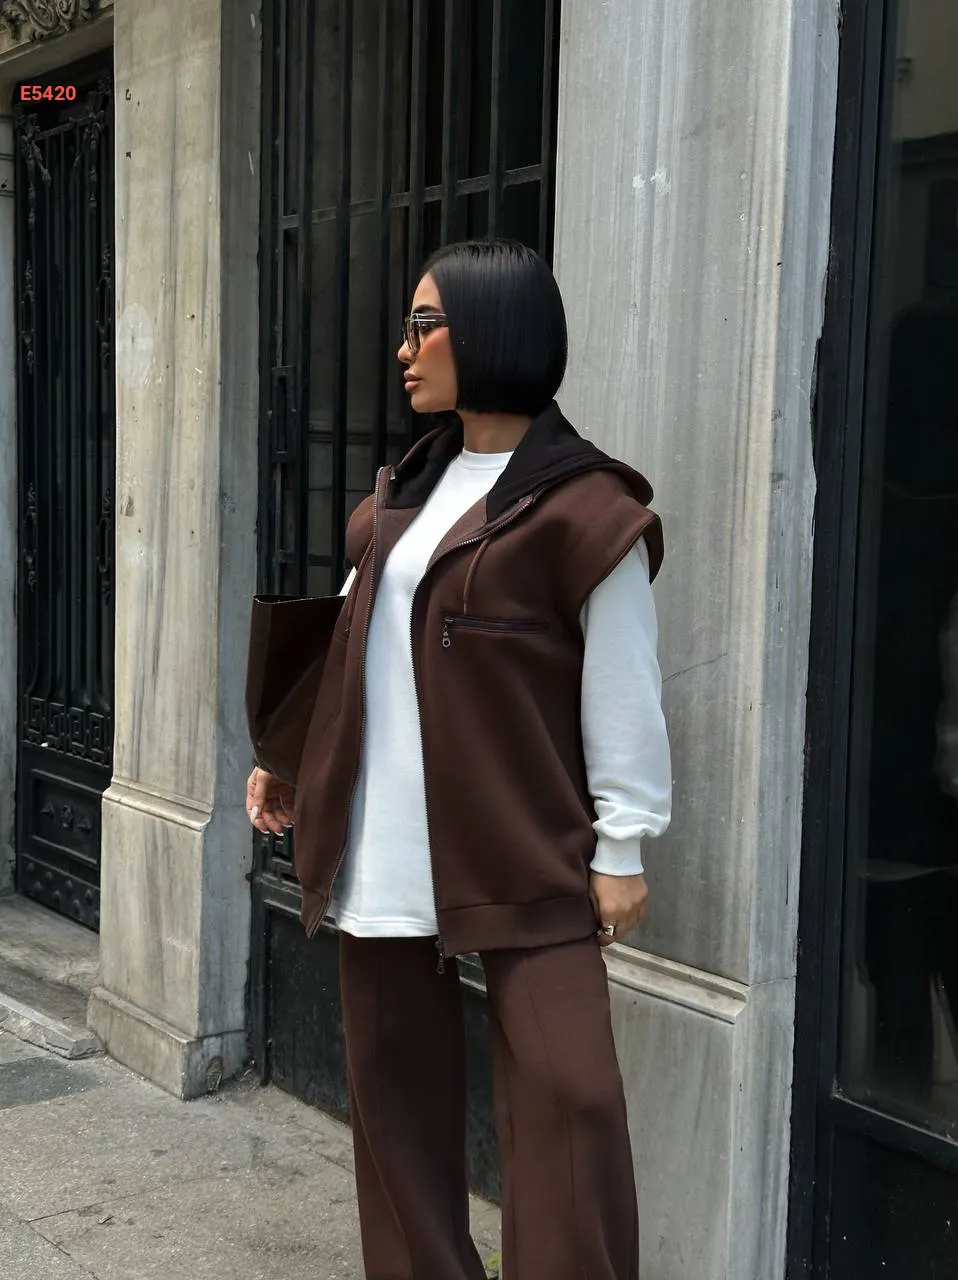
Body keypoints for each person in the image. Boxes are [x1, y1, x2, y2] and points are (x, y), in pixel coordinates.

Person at [245, 239, 672, 1280]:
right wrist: (291, 757)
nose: (404, 349)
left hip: (522, 845)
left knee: (571, 1098)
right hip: (382, 840)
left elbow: (622, 683)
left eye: (424, 326)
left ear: (492, 330)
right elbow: (351, 643)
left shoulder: (586, 510)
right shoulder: (402, 492)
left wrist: (622, 842)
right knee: (393, 1098)